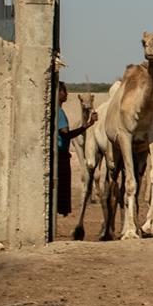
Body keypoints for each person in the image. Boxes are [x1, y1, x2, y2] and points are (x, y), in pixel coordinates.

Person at [55, 84, 96, 218]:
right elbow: (66, 134)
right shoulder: (59, 113)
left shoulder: (57, 111)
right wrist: (87, 125)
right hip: (60, 155)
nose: (66, 94)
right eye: (64, 91)